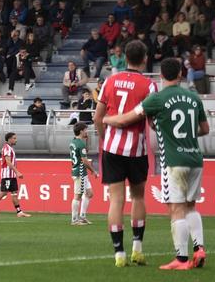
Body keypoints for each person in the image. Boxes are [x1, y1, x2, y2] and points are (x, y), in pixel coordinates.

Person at [104, 58, 209, 270]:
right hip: (195, 160)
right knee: (191, 206)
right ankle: (199, 248)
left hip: (174, 161)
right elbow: (205, 129)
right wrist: (187, 135)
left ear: (161, 75)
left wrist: (107, 120)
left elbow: (127, 119)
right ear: (180, 75)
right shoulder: (194, 98)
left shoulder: (157, 99)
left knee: (176, 208)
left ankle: (181, 259)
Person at [94, 40, 157, 267]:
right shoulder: (149, 86)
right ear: (145, 58)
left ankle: (118, 254)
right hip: (136, 150)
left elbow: (97, 117)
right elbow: (152, 120)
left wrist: (105, 138)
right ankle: (137, 249)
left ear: (125, 58)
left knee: (116, 200)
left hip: (112, 149)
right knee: (138, 197)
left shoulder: (110, 80)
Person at [0, 132, 30, 218]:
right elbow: (8, 162)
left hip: (11, 175)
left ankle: (19, 212)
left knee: (14, 193)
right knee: (3, 192)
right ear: (9, 139)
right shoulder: (7, 148)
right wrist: (17, 172)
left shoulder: (10, 148)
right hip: (7, 175)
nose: (16, 140)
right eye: (14, 138)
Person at [69, 123, 97, 226]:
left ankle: (82, 217)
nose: (87, 132)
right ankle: (74, 220)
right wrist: (93, 171)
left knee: (89, 194)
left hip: (81, 171)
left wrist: (87, 140)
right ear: (81, 131)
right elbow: (84, 160)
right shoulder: (80, 144)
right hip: (80, 171)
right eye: (86, 130)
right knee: (77, 196)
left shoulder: (74, 142)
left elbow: (86, 150)